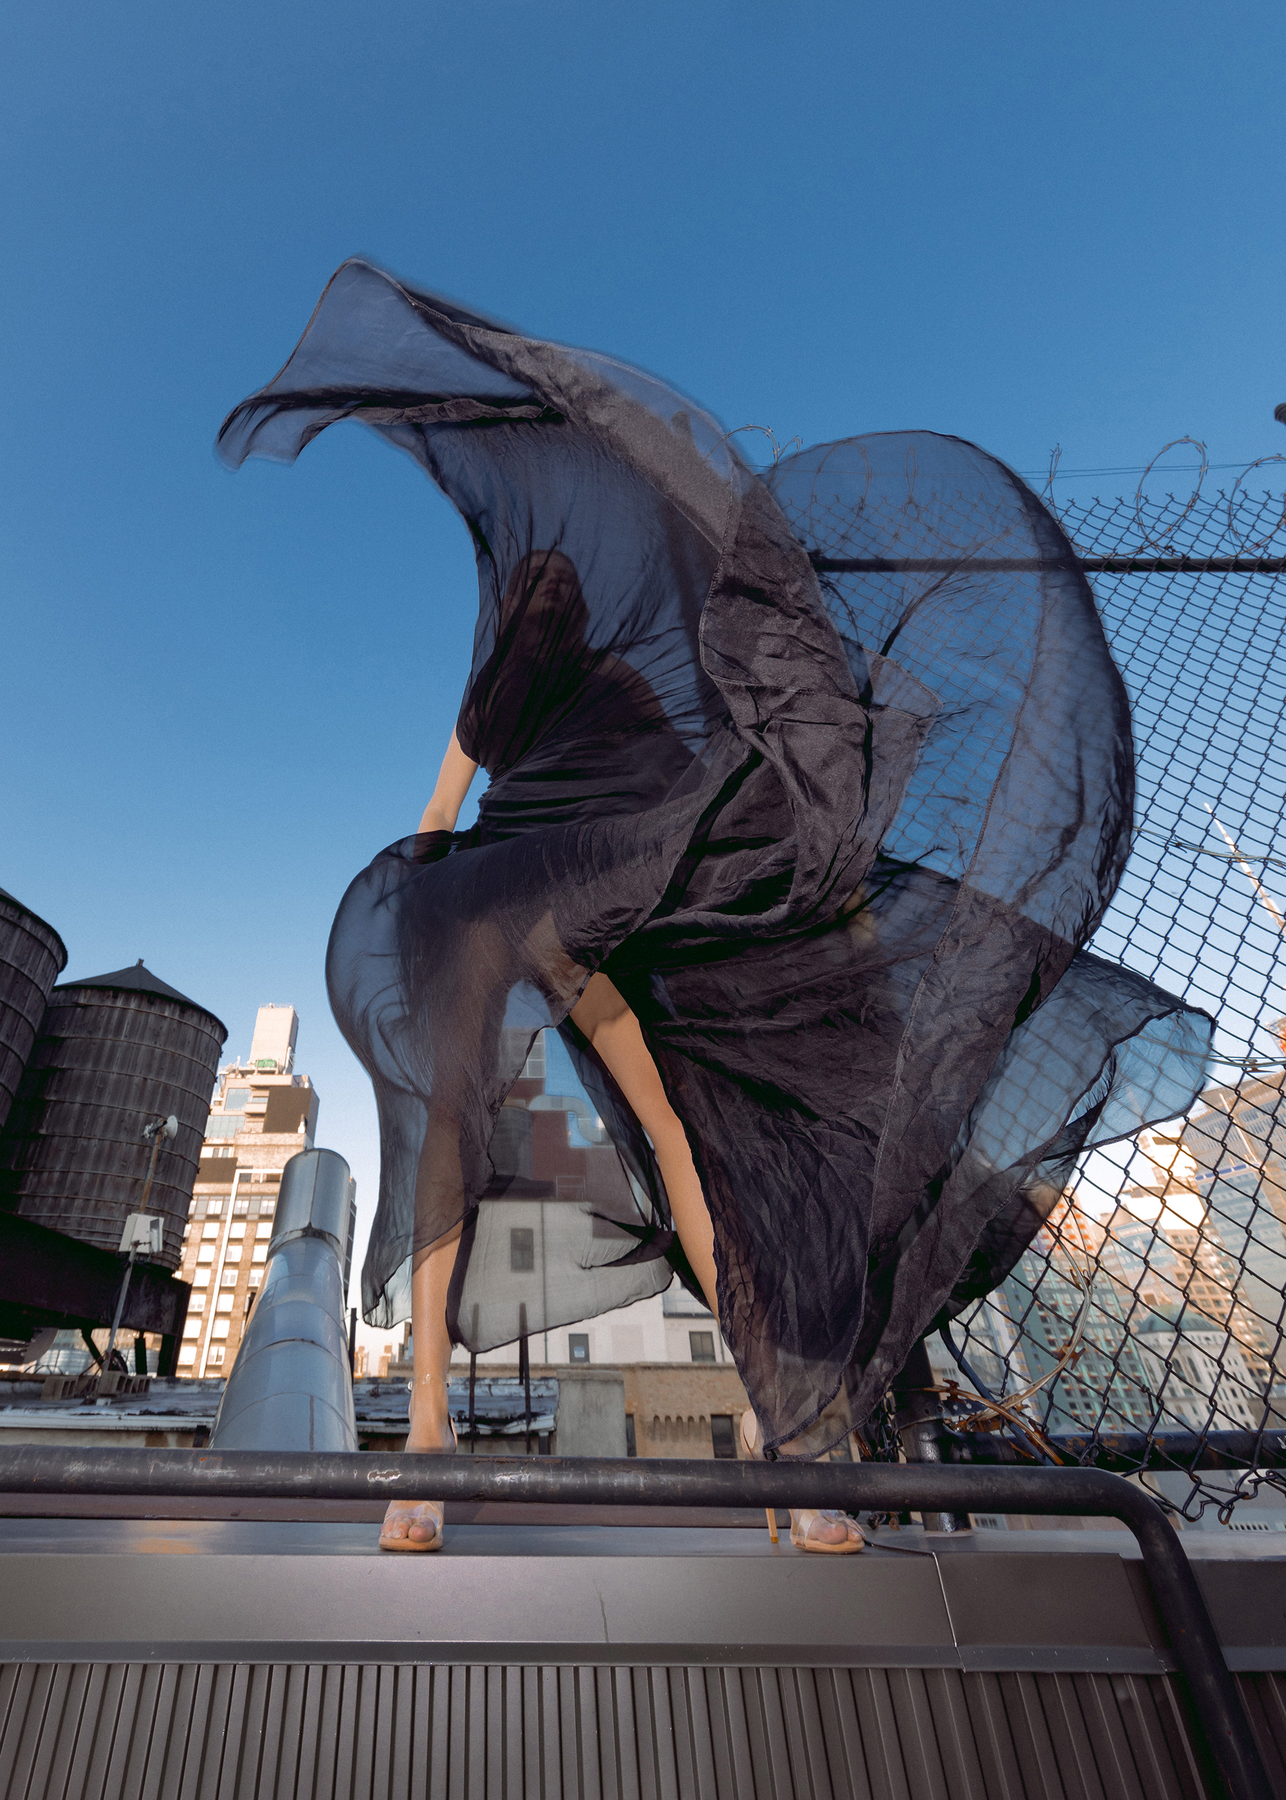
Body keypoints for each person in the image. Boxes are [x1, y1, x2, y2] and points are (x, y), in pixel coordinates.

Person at [218, 260, 1212, 1557]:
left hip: (563, 897)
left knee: (642, 1141)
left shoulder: (607, 684)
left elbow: (509, 799)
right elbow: (471, 801)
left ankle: (730, 1443)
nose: (551, 590)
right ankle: (490, 1442)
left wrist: (454, 883)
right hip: (530, 896)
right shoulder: (549, 682)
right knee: (564, 1137)